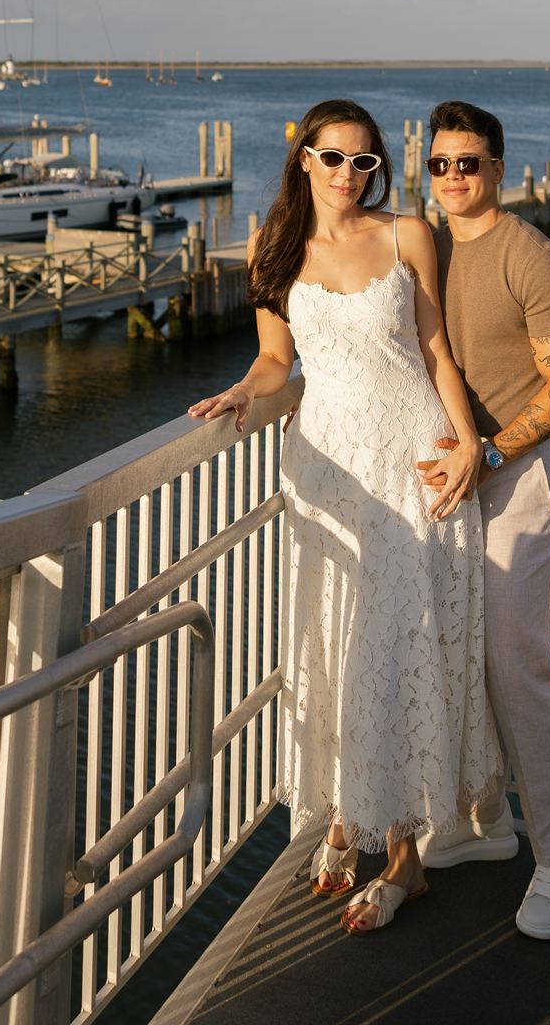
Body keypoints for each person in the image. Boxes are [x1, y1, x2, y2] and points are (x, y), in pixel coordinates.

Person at [188, 100, 501, 934]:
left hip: (410, 458)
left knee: (395, 643)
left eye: (364, 162)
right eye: (333, 158)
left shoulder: (406, 235)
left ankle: (402, 860)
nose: (348, 174)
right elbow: (274, 359)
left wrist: (468, 443)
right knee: (342, 637)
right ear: (302, 160)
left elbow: (435, 348)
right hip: (329, 466)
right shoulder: (273, 247)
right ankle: (344, 812)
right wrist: (240, 394)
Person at [414, 98, 550, 940]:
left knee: (515, 665)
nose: (453, 177)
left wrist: (484, 455)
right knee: (451, 649)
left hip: (514, 480)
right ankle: (486, 825)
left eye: (469, 163)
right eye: (439, 163)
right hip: (445, 482)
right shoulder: (425, 242)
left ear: (499, 168)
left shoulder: (534, 257)